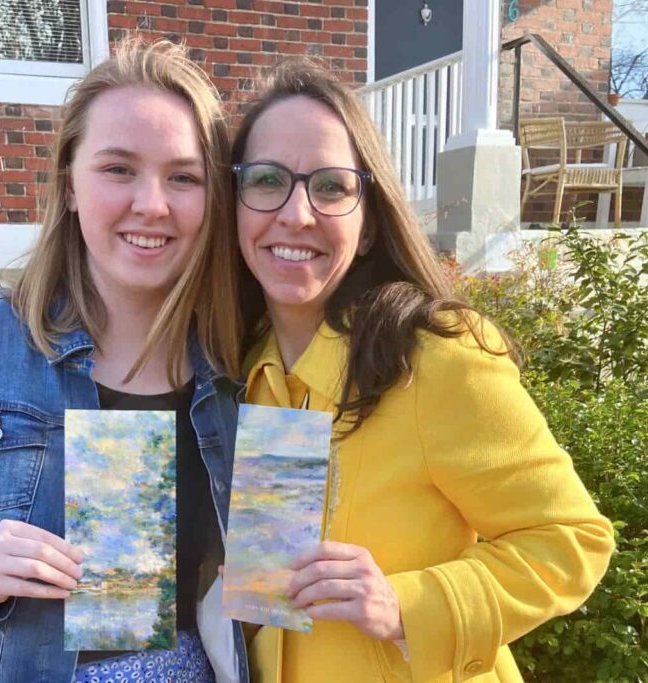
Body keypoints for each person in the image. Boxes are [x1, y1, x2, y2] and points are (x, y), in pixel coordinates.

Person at [0, 40, 251, 683]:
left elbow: (274, 589)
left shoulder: (246, 366)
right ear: (69, 184)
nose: (152, 203)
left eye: (184, 176)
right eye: (118, 169)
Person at [231, 60, 615, 682]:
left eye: (330, 187)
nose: (296, 213)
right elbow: (269, 598)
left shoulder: (434, 358)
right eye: (267, 179)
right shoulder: (253, 370)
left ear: (370, 218)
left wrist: (405, 604)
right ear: (236, 203)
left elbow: (572, 539)